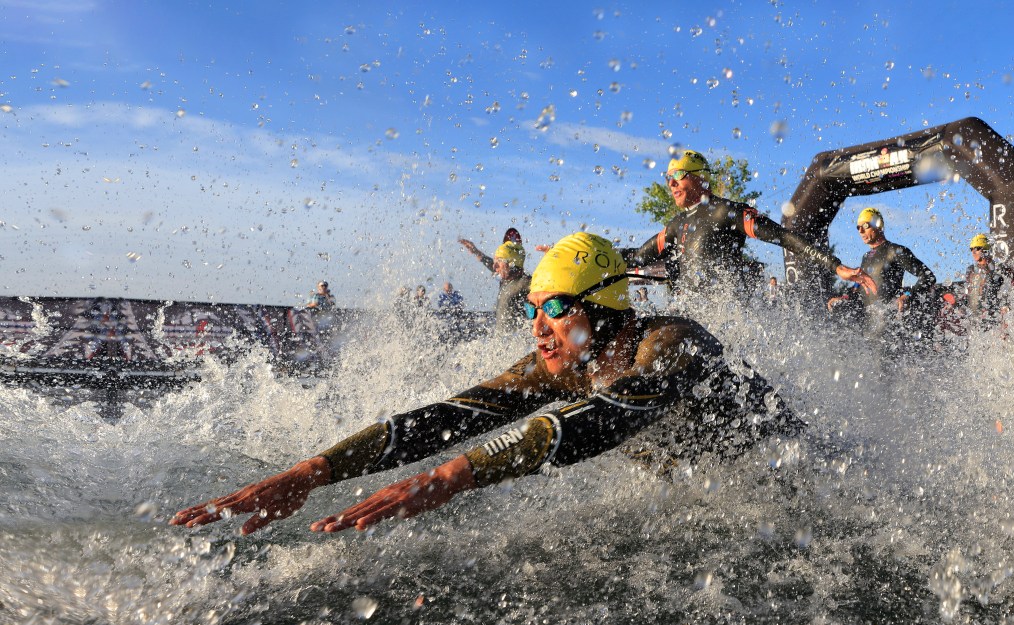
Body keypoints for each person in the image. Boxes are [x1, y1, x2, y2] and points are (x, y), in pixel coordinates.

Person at [171, 233, 803, 537]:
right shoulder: (563, 361)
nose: (537, 329)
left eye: (553, 309)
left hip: (794, 483)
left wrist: (452, 477)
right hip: (707, 490)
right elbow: (453, 415)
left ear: (603, 307)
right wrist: (314, 471)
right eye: (531, 310)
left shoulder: (671, 344)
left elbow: (605, 419)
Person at [620, 150, 876, 299]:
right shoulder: (675, 226)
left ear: (700, 178)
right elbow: (639, 257)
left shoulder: (727, 212)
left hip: (726, 318)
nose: (671, 184)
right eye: (667, 178)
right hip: (691, 317)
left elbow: (783, 236)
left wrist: (835, 266)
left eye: (677, 175)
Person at [829, 207, 937, 359]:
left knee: (886, 376)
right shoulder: (866, 257)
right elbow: (859, 286)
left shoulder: (896, 251)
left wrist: (907, 295)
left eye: (866, 225)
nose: (861, 230)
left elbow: (928, 276)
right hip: (868, 327)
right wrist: (845, 297)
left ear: (878, 225)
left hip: (890, 329)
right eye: (858, 227)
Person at [458, 237, 531, 332]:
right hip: (502, 340)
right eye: (495, 261)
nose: (494, 266)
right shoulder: (506, 279)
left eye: (499, 261)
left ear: (512, 264)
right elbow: (490, 264)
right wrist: (476, 252)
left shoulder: (525, 283)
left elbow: (548, 287)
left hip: (517, 339)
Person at [962, 234, 1008, 330]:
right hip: (976, 319)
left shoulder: (998, 268)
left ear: (985, 249)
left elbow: (1006, 296)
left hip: (994, 317)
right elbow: (968, 295)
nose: (973, 252)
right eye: (971, 249)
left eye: (977, 248)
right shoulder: (970, 270)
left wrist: (1004, 321)